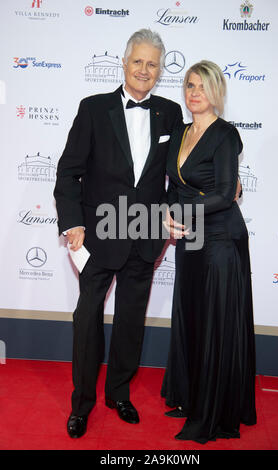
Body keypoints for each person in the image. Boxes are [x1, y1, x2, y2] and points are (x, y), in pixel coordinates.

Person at [53, 29, 183, 438]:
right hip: (97, 237)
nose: (144, 70)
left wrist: (177, 214)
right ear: (124, 63)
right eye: (138, 61)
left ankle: (119, 394)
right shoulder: (93, 108)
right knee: (87, 320)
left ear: (159, 70)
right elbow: (68, 171)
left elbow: (177, 178)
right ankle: (82, 404)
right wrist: (73, 223)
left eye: (152, 64)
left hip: (145, 236)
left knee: (130, 321)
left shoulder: (170, 112)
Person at [161, 60, 257, 444]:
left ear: (216, 91)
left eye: (201, 86)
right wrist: (167, 214)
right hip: (190, 238)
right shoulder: (181, 132)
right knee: (192, 317)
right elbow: (174, 186)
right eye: (188, 85)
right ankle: (190, 396)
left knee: (216, 321)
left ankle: (213, 411)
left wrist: (181, 210)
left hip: (220, 240)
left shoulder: (226, 135)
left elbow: (223, 193)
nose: (193, 92)